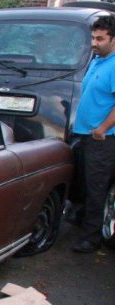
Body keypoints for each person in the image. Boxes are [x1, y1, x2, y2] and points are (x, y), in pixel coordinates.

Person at [72, 15, 115, 253]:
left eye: (100, 39)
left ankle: (91, 238)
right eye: (93, 38)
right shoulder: (97, 61)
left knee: (96, 186)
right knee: (85, 183)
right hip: (85, 134)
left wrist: (103, 128)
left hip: (103, 138)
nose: (94, 43)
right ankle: (83, 223)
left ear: (114, 39)